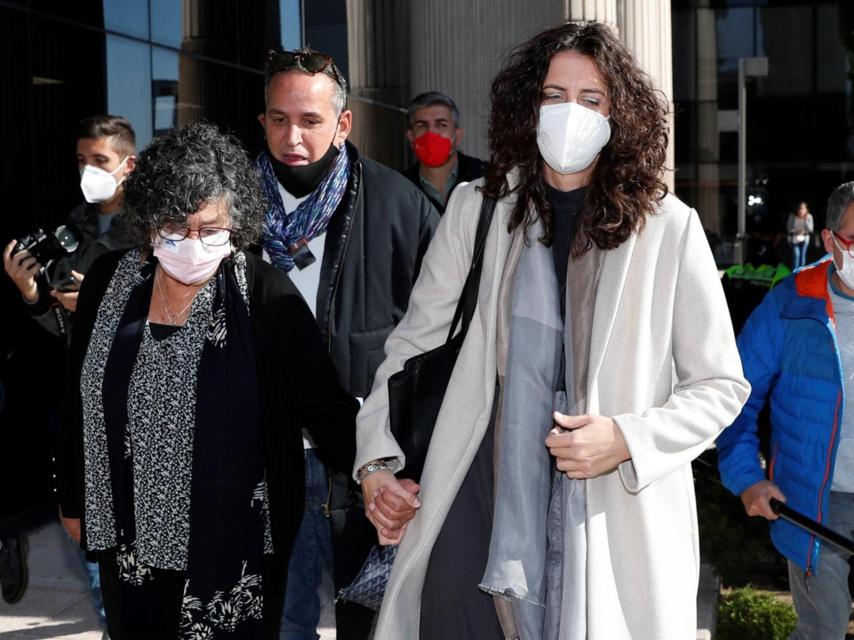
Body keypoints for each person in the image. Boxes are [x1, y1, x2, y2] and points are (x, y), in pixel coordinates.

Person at [354, 21, 750, 640]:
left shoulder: (669, 228)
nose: (571, 113)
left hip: (611, 504)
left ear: (619, 115)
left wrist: (626, 437)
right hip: (476, 484)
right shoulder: (477, 207)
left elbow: (721, 385)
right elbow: (412, 346)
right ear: (526, 107)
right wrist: (376, 462)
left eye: (591, 100)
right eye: (553, 95)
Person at [56, 122, 359, 640]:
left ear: (235, 223)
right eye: (175, 227)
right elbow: (78, 395)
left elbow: (327, 410)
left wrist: (380, 472)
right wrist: (73, 499)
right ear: (150, 220)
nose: (192, 243)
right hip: (130, 539)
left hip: (231, 550)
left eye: (210, 228)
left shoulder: (268, 298)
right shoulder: (110, 279)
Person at [256, 49, 439, 640]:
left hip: (368, 464)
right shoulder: (225, 211)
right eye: (279, 119)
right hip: (265, 461)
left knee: (376, 625)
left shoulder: (400, 205)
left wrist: (413, 450)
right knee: (278, 624)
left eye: (310, 120)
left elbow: (441, 339)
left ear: (343, 123)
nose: (293, 137)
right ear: (262, 120)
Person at [717, 181, 854, 639]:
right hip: (817, 506)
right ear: (829, 240)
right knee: (821, 630)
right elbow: (734, 397)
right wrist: (747, 478)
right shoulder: (790, 304)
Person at [3, 115, 137, 342]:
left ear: (129, 166)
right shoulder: (75, 223)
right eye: (82, 160)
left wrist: (101, 303)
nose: (88, 170)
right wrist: (31, 292)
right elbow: (67, 329)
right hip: (85, 370)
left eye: (100, 160)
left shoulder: (152, 227)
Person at [402, 91, 487, 214]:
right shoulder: (400, 188)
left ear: (457, 136)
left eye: (441, 124)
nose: (431, 133)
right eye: (422, 125)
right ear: (411, 137)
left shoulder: (484, 178)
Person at [787, 201, 814, 270]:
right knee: (796, 255)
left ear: (806, 209)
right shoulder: (792, 216)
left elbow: (810, 230)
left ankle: (801, 272)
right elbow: (788, 228)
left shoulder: (809, 216)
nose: (800, 210)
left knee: (803, 255)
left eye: (802, 208)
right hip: (795, 238)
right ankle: (794, 273)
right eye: (799, 208)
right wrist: (795, 231)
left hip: (805, 238)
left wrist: (806, 219)